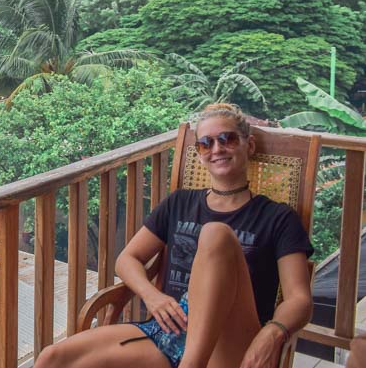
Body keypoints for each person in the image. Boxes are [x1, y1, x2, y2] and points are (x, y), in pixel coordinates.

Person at [35, 103, 314, 368]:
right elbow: (127, 259)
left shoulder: (277, 217)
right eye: (206, 144)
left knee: (216, 234)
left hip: (229, 344)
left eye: (227, 139)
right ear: (200, 153)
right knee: (52, 358)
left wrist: (274, 332)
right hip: (169, 332)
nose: (216, 149)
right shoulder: (180, 203)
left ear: (248, 145)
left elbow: (299, 299)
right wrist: (153, 297)